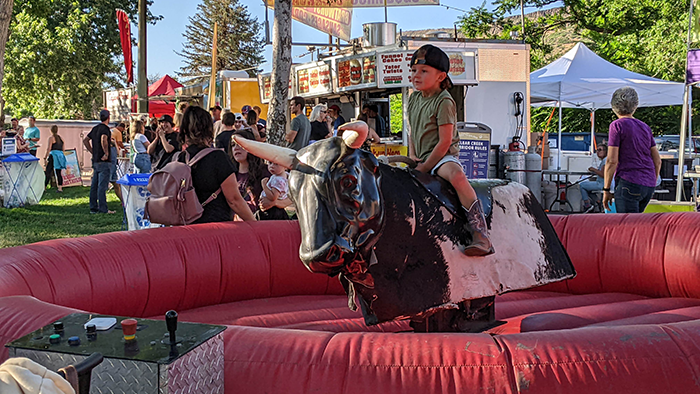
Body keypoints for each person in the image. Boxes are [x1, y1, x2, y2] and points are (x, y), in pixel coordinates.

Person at [407, 44, 493, 256]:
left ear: (441, 76)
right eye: (414, 71)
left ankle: (479, 232)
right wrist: (411, 157)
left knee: (457, 176)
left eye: (424, 71)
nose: (416, 75)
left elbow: (444, 142)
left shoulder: (444, 101)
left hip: (441, 158)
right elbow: (411, 132)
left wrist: (425, 167)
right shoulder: (413, 98)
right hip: (420, 157)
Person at [176, 106, 255, 223]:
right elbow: (234, 200)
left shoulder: (179, 159)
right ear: (208, 128)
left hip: (186, 225)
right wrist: (254, 223)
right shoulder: (217, 157)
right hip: (214, 227)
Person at [603, 87, 661, 213]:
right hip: (648, 183)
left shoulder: (617, 125)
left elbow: (612, 161)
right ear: (635, 106)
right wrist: (651, 181)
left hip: (628, 181)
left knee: (626, 227)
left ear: (613, 106)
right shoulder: (645, 127)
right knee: (637, 225)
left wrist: (606, 189)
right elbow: (657, 161)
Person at [231, 128, 272, 213]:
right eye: (233, 145)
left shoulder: (266, 171)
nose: (236, 148)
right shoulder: (229, 175)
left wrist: (275, 202)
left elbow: (287, 197)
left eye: (239, 144)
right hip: (236, 223)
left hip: (260, 223)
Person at [83, 109, 114, 214]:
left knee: (94, 185)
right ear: (108, 117)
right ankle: (103, 208)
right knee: (102, 186)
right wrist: (106, 153)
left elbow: (85, 140)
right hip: (104, 161)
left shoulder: (95, 128)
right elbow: (103, 139)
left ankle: (93, 207)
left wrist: (92, 151)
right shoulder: (105, 129)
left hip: (95, 160)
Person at [580, 143, 608, 212]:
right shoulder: (605, 160)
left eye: (600, 150)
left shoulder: (605, 161)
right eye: (597, 150)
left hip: (602, 184)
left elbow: (603, 174)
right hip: (602, 182)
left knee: (582, 185)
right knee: (588, 189)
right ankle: (597, 201)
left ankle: (587, 205)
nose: (598, 152)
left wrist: (594, 169)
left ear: (605, 151)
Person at [44, 125, 66, 192]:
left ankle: (44, 186)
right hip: (60, 155)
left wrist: (45, 157)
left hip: (53, 155)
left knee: (48, 171)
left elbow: (49, 148)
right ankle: (60, 188)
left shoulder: (51, 138)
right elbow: (63, 149)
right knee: (58, 172)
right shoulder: (61, 138)